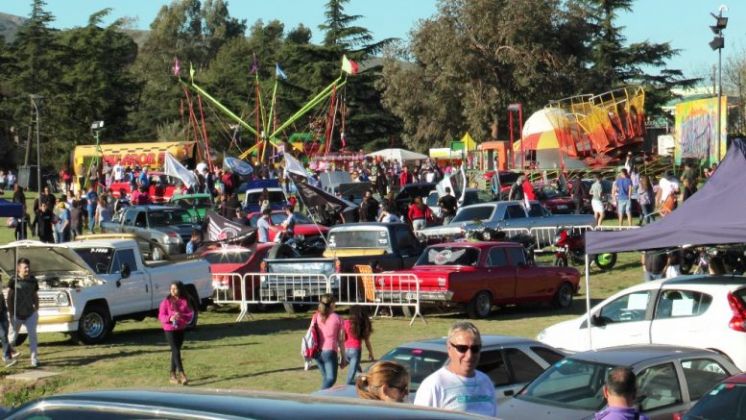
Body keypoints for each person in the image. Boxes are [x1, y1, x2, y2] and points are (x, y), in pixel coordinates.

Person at [414, 321, 496, 417]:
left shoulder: (485, 381)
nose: (469, 356)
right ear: (449, 348)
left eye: (475, 349)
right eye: (462, 348)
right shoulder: (434, 385)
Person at [158, 281, 194, 385]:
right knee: (176, 350)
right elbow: (161, 316)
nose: (173, 291)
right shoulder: (166, 301)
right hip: (169, 328)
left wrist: (181, 316)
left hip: (180, 328)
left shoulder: (185, 301)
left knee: (175, 351)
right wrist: (170, 318)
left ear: (180, 289)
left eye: (175, 289)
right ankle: (182, 374)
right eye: (171, 289)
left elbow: (189, 314)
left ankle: (172, 375)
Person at [7, 258, 40, 368]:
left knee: (33, 337)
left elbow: (35, 295)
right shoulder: (13, 280)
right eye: (25, 267)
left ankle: (34, 359)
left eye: (28, 267)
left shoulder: (33, 280)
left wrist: (37, 307)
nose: (27, 269)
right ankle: (8, 357)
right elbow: (9, 297)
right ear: (18, 268)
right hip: (16, 314)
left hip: (30, 314)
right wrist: (11, 313)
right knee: (11, 338)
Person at [310, 294, 345, 389]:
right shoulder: (338, 318)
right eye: (335, 303)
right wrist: (343, 357)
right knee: (331, 379)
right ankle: (317, 397)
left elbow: (310, 333)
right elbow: (341, 340)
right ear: (332, 304)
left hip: (316, 352)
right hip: (329, 351)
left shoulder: (315, 316)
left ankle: (322, 400)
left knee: (326, 378)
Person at [343, 305, 375, 385]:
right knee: (352, 375)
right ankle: (350, 386)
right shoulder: (362, 325)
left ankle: (364, 383)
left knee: (357, 370)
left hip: (346, 350)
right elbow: (367, 342)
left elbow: (342, 338)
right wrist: (371, 353)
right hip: (356, 350)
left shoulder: (346, 323)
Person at [0, 276, 20, 368]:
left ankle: (9, 351)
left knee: (5, 331)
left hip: (2, 309)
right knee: (3, 334)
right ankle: (7, 357)